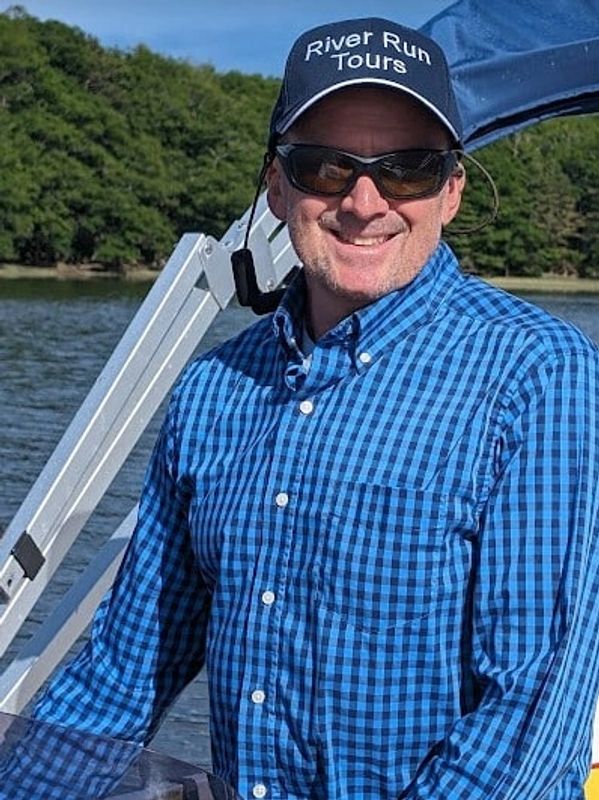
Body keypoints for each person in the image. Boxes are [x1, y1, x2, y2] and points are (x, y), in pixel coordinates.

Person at [24, 16, 599, 800]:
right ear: (276, 185)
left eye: (406, 168)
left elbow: (531, 714)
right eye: (326, 167)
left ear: (452, 190)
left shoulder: (537, 376)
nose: (364, 203)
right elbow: (122, 675)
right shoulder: (212, 394)